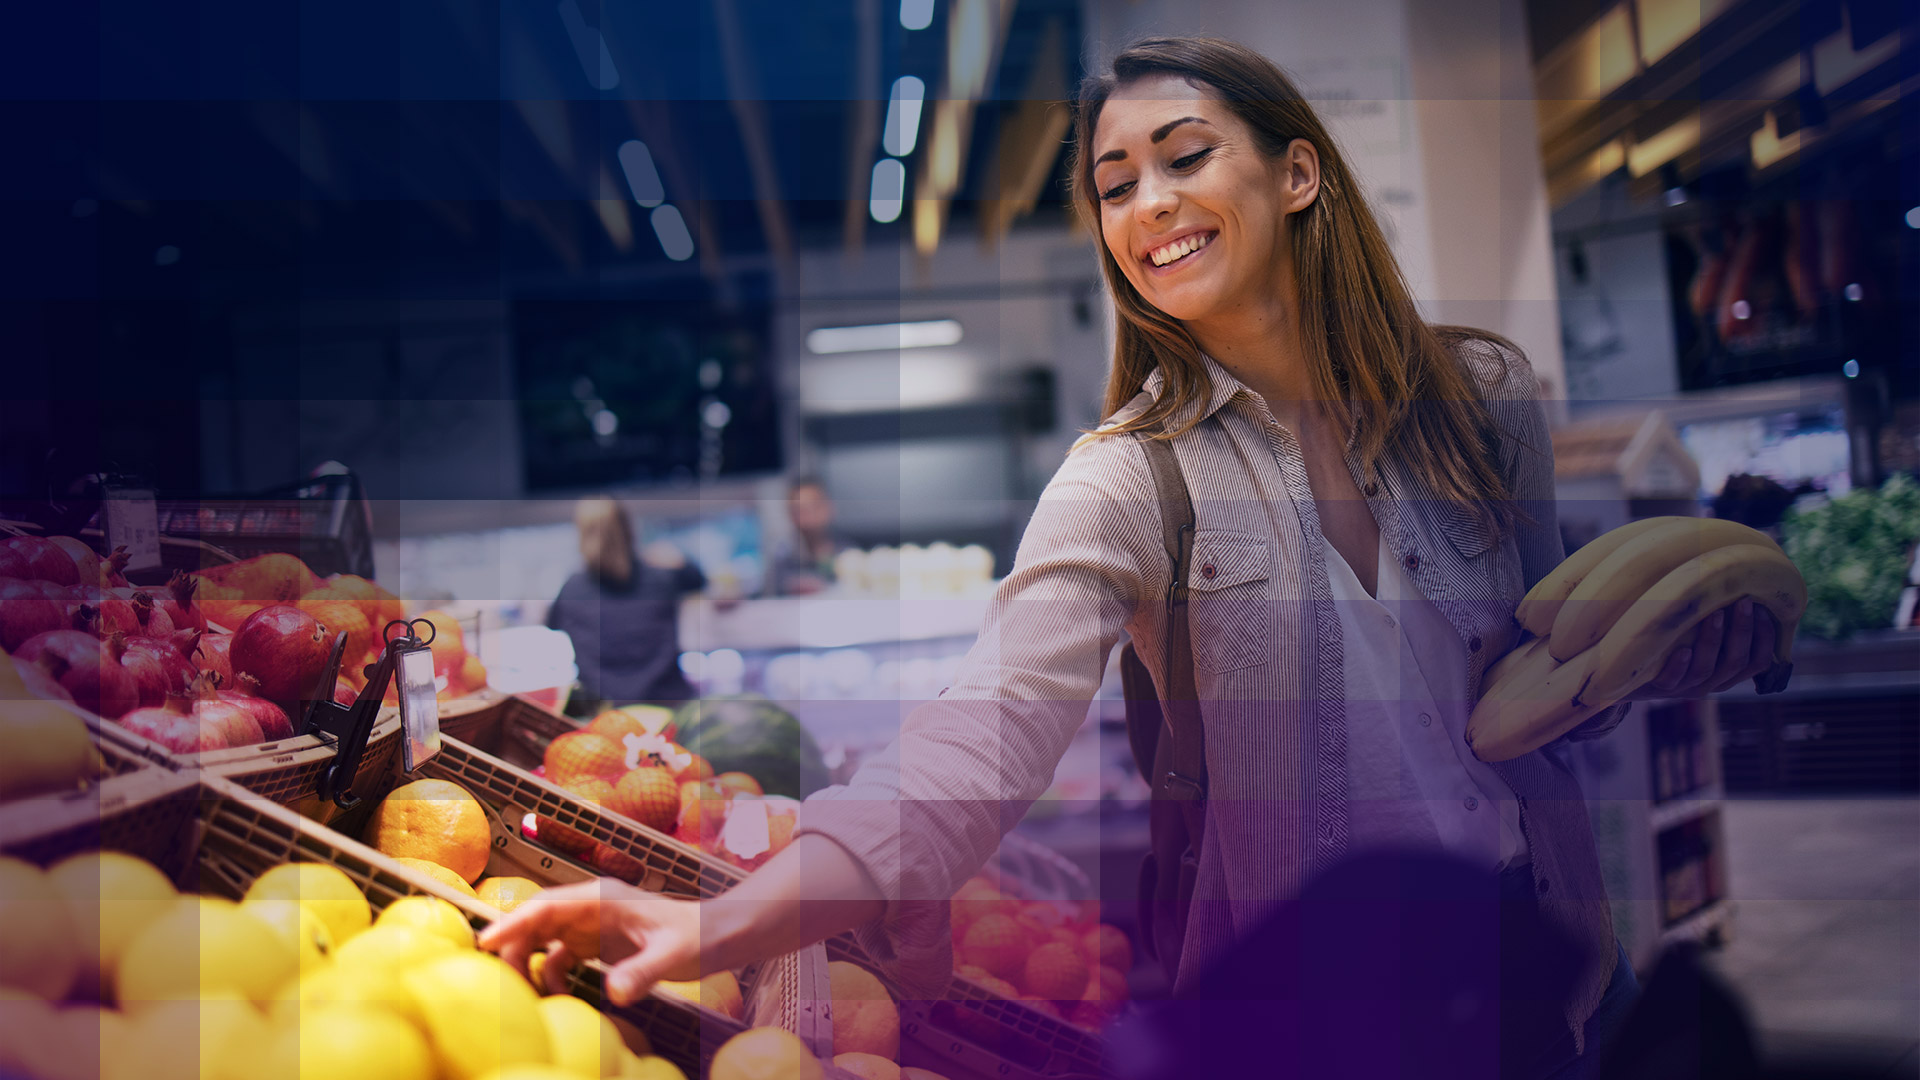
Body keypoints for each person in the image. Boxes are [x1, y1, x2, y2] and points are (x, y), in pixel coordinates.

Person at [482, 38, 1783, 1078]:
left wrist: (1676, 657)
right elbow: (971, 748)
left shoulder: (1486, 403)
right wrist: (723, 921)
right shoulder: (1128, 478)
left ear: (1297, 173)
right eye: (1115, 185)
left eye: (1181, 157)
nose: (1147, 203)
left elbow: (1532, 691)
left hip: (1533, 969)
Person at [544, 497, 705, 712]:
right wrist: (677, 558)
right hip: (669, 707)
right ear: (628, 529)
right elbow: (698, 579)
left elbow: (551, 623)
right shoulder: (660, 577)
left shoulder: (572, 588)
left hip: (605, 715)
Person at [767, 476, 846, 596]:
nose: (808, 518)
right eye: (799, 511)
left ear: (829, 508)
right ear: (790, 515)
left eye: (813, 508)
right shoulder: (783, 558)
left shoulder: (847, 553)